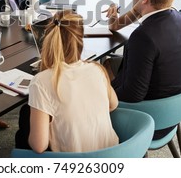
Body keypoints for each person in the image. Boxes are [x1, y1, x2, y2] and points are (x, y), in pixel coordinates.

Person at [104, 0, 181, 139]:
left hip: (149, 116)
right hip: (173, 110)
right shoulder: (180, 18)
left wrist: (101, 91)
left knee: (86, 85)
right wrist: (123, 14)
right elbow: (116, 26)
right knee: (106, 65)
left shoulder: (144, 36)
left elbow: (133, 94)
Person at [16, 10, 119, 153]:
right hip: (114, 155)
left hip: (73, 163)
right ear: (81, 39)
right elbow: (113, 105)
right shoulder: (98, 69)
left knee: (24, 127)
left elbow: (39, 146)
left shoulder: (41, 81)